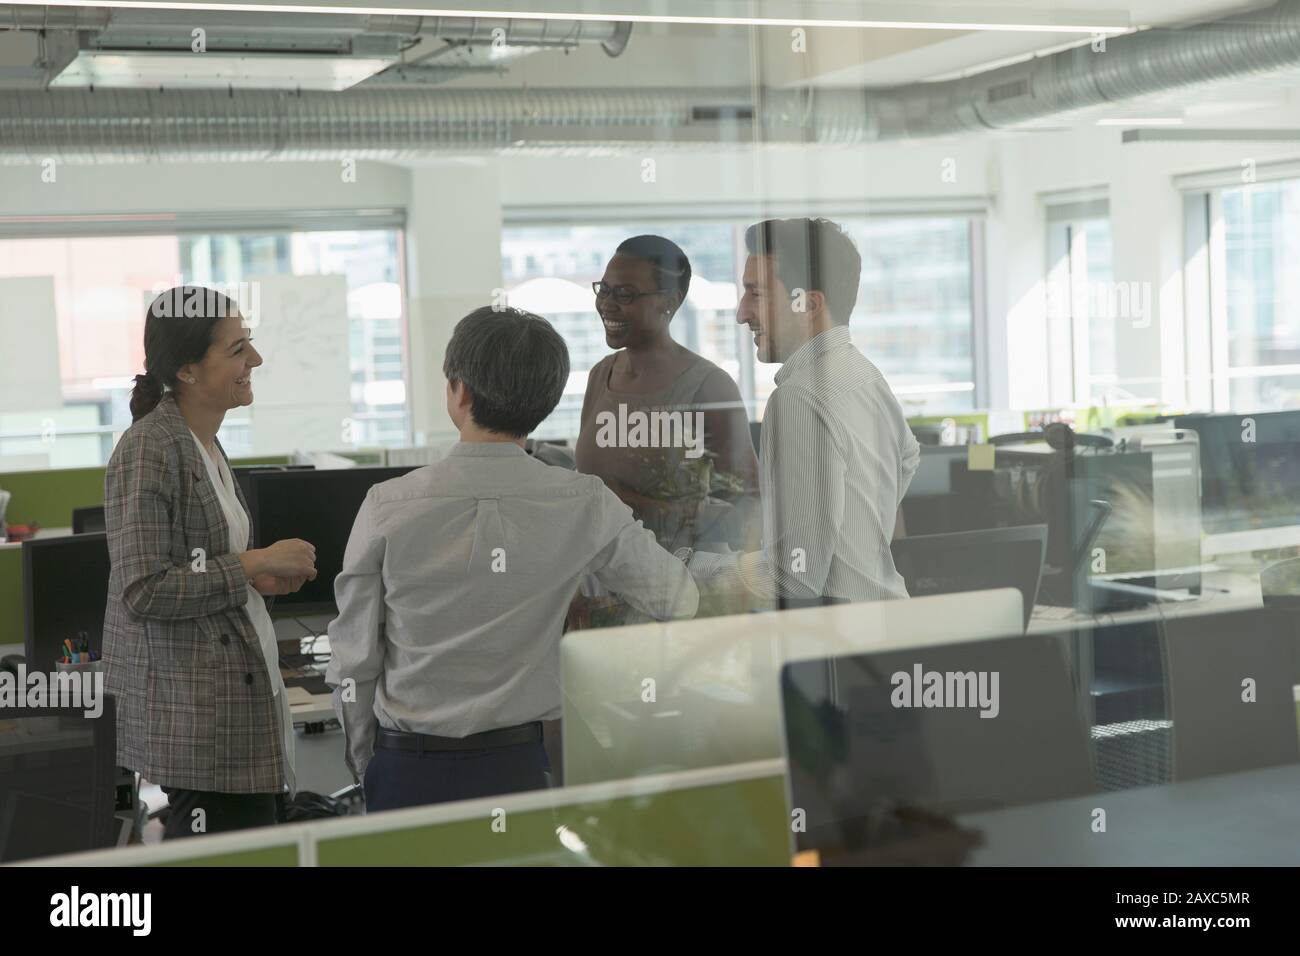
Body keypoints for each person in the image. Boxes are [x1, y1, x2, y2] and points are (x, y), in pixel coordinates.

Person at [326, 306, 698, 812]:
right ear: (545, 402)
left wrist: (365, 762)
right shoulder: (584, 502)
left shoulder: (387, 505)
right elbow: (677, 599)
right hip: (519, 768)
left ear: (457, 390)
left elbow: (354, 661)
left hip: (406, 768)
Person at [103, 286, 318, 838]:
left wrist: (259, 578)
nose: (256, 360)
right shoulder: (151, 447)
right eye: (238, 348)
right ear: (189, 370)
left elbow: (200, 569)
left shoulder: (205, 443)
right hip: (200, 723)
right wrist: (247, 566)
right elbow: (143, 589)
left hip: (242, 701)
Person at [685, 218, 920, 604]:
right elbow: (909, 458)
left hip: (840, 645)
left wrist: (694, 566)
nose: (742, 313)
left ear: (808, 304)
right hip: (887, 623)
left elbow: (792, 576)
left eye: (756, 294)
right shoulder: (864, 374)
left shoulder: (799, 397)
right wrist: (856, 531)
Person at [576, 235, 759, 554]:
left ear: (670, 301)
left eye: (625, 293)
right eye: (604, 289)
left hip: (680, 585)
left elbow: (751, 504)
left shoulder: (708, 386)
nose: (607, 303)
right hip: (601, 583)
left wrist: (640, 506)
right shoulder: (600, 375)